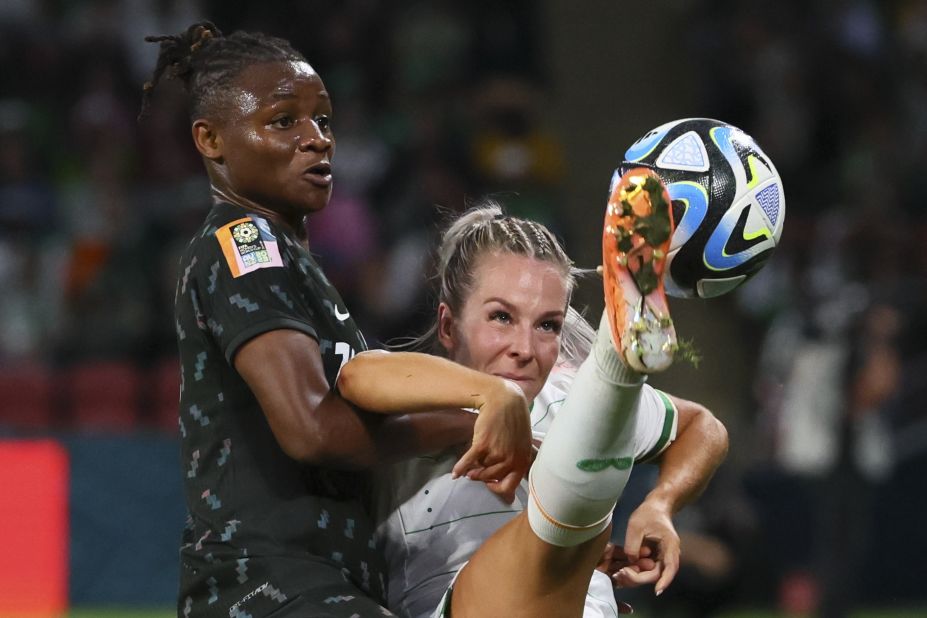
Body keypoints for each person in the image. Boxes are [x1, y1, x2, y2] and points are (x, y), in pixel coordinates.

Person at [142, 22, 528, 617]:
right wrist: (465, 421)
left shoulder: (295, 264)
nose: (316, 139)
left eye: (323, 120)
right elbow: (313, 429)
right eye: (282, 121)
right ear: (210, 139)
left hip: (325, 584)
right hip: (267, 586)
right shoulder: (245, 242)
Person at [335, 169, 729, 617]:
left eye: (547, 325)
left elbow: (704, 427)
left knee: (585, 439)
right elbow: (357, 376)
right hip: (460, 607)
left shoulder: (569, 398)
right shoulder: (412, 395)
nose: (525, 349)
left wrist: (660, 504)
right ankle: (616, 362)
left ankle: (618, 363)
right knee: (574, 501)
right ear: (448, 325)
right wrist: (491, 400)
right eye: (501, 317)